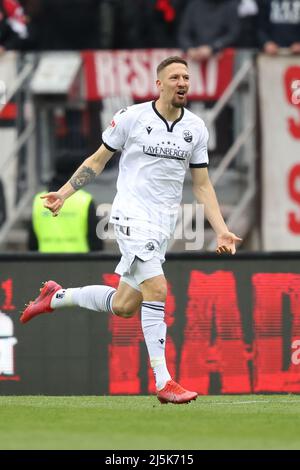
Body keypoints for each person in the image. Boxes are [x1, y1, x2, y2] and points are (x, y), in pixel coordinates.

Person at [20, 56, 242, 404]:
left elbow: (202, 185)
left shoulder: (196, 128)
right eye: (175, 77)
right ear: (159, 84)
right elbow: (97, 160)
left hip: (161, 225)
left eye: (186, 77)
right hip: (130, 216)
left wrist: (222, 229)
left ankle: (56, 296)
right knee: (157, 287)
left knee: (125, 305)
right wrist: (63, 194)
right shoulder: (132, 118)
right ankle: (164, 381)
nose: (183, 82)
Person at [28, 154, 103, 252]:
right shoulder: (85, 200)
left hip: (45, 262)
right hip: (79, 262)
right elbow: (95, 241)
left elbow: (32, 243)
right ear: (77, 171)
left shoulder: (39, 200)